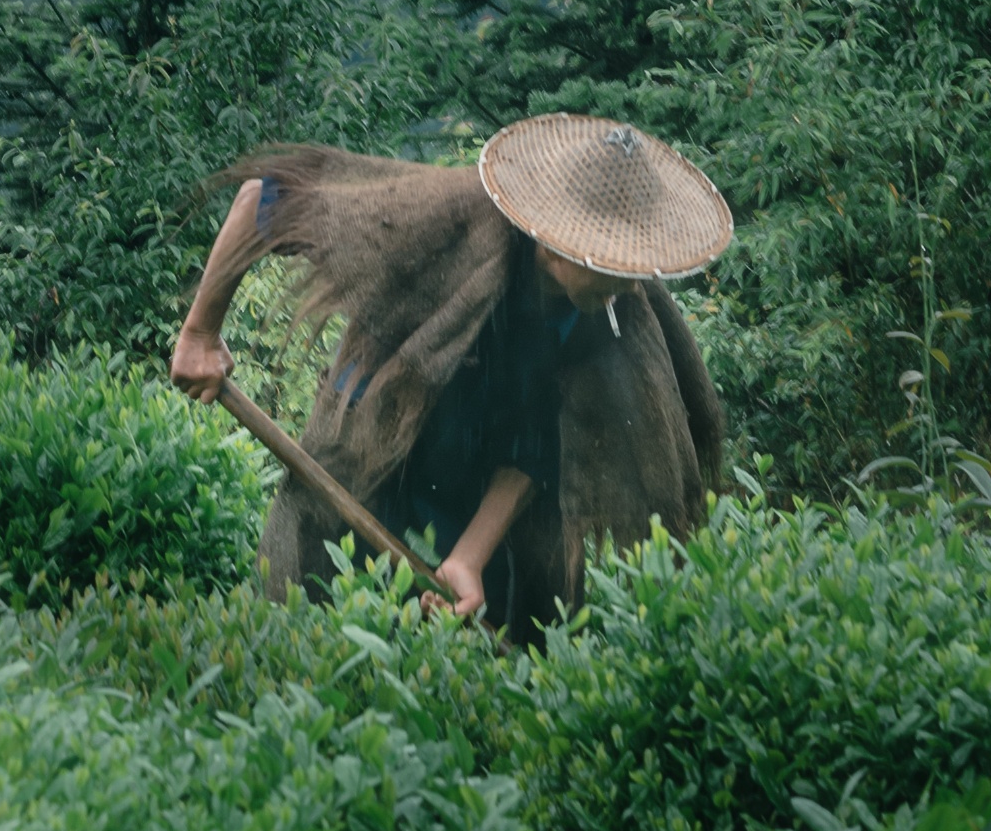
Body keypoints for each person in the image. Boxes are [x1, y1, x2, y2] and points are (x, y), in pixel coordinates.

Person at [168, 114, 730, 638]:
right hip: (381, 438)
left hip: (483, 468)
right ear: (554, 248)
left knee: (509, 616)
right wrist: (199, 336)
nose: (631, 287)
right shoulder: (438, 220)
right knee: (328, 604)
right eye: (609, 263)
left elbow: (538, 441)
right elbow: (261, 201)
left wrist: (467, 558)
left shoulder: (605, 306)